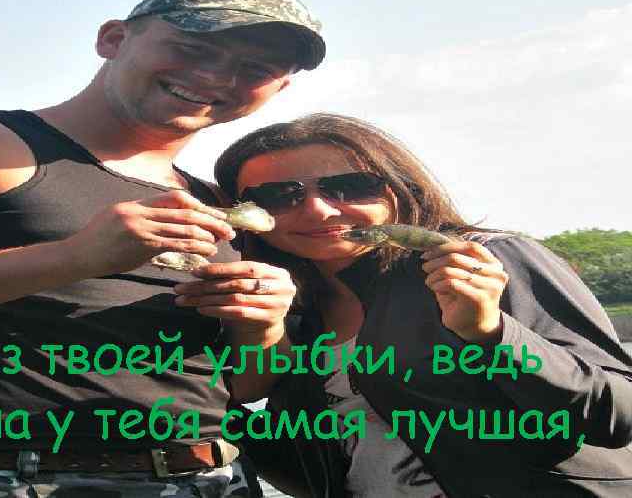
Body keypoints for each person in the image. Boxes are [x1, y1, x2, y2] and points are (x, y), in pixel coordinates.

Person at [0, 0, 325, 497]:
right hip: (4, 476)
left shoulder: (218, 202)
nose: (216, 77)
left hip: (209, 477)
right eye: (192, 47)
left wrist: (263, 326)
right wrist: (74, 257)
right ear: (113, 39)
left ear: (278, 89)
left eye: (256, 70)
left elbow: (243, 386)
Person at [211, 113, 632, 497]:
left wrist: (491, 333)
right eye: (279, 196)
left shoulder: (485, 262)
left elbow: (617, 414)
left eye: (351, 186)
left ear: (399, 189)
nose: (319, 210)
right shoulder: (279, 311)